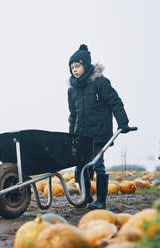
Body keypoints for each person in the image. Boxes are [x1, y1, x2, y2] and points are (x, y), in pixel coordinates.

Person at [67, 44, 133, 209]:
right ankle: (86, 196)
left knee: (97, 165)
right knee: (80, 167)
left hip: (99, 134)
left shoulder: (100, 83)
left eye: (78, 66)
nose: (74, 70)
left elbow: (115, 102)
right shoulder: (72, 90)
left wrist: (123, 123)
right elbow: (72, 115)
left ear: (86, 65)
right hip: (80, 135)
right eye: (72, 67)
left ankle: (101, 201)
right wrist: (71, 135)